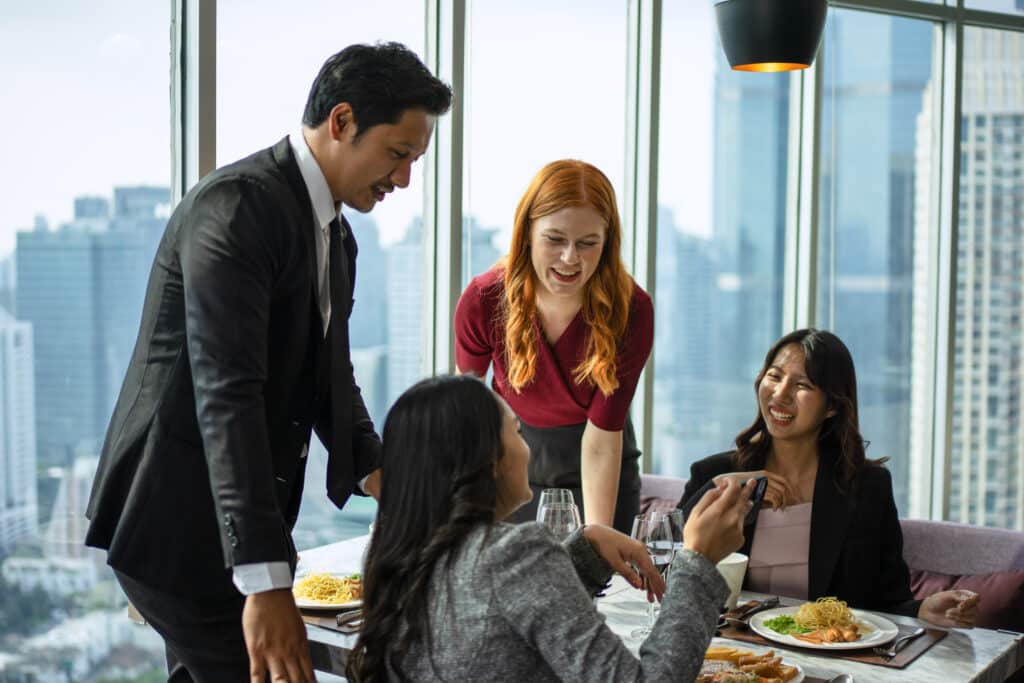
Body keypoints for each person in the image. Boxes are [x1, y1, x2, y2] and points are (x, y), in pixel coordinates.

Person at [85, 43, 452, 682]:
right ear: (341, 122)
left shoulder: (335, 235)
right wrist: (264, 581)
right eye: (397, 155)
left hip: (225, 531)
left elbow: (329, 381)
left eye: (414, 162)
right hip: (175, 527)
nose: (403, 181)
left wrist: (381, 474)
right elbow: (227, 398)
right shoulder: (237, 208)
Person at [346, 374, 753, 682]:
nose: (530, 452)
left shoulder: (398, 553)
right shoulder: (515, 552)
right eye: (519, 434)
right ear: (491, 461)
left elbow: (489, 625)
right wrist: (697, 561)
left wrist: (582, 554)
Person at [677, 328, 980, 627]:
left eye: (802, 385)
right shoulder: (715, 476)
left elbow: (887, 601)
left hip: (825, 658)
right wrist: (721, 492)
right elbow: (671, 572)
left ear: (832, 406)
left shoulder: (867, 487)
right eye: (774, 376)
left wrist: (922, 611)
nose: (780, 394)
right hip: (732, 653)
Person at [454, 159, 653, 533]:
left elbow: (602, 438)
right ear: (527, 232)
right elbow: (465, 417)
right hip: (512, 470)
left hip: (599, 468)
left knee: (595, 585)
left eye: (588, 243)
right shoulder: (483, 299)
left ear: (607, 243)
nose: (570, 258)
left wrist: (596, 544)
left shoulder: (632, 311)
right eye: (555, 239)